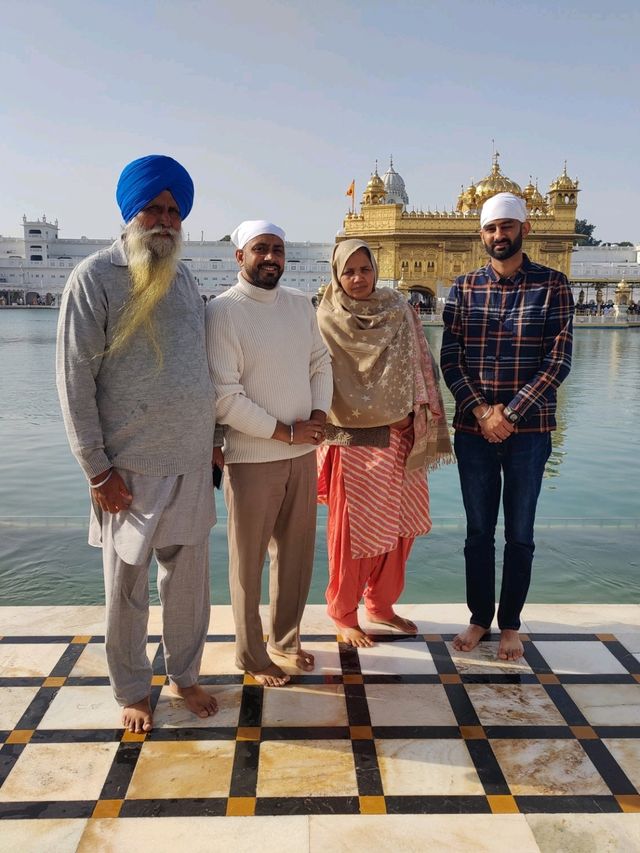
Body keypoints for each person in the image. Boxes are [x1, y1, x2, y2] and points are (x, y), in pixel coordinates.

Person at [56, 155, 218, 732]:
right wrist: (97, 471)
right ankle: (130, 686)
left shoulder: (186, 276)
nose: (166, 220)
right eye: (156, 208)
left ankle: (185, 674)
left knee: (189, 584)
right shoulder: (92, 278)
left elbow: (199, 366)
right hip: (127, 468)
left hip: (193, 462)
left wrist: (213, 441)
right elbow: (74, 380)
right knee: (125, 588)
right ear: (132, 212)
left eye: (175, 211)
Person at [440, 192, 574, 661]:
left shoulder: (553, 286)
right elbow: (450, 359)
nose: (500, 235)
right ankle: (480, 617)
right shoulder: (463, 288)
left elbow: (558, 361)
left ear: (525, 229)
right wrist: (481, 412)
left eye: (507, 226)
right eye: (492, 228)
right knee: (478, 531)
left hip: (530, 431)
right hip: (474, 430)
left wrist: (510, 413)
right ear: (482, 234)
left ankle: (511, 623)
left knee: (520, 531)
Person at [206, 220, 333, 687]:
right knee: (249, 561)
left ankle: (285, 640)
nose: (271, 258)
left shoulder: (300, 305)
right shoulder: (222, 312)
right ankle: (251, 655)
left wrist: (317, 415)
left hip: (302, 452)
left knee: (297, 555)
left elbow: (320, 361)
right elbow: (224, 396)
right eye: (260, 249)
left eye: (277, 249)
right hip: (250, 458)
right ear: (239, 256)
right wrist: (285, 431)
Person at [316, 239, 453, 647]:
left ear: (375, 270)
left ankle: (381, 605)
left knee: (400, 529)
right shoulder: (325, 317)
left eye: (365, 269)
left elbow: (423, 364)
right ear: (337, 275)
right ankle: (342, 612)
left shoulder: (398, 309)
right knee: (352, 533)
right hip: (352, 439)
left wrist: (422, 417)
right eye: (349, 271)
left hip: (401, 433)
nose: (358, 278)